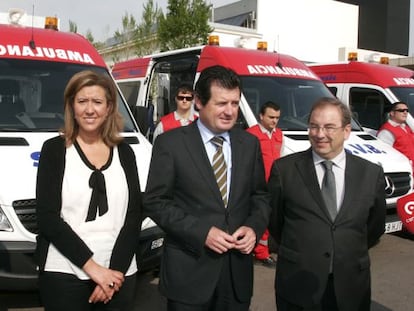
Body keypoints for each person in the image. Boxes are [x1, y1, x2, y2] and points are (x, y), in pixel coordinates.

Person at [143, 65, 270, 311]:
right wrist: (202, 233)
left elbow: (261, 196)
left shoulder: (249, 144)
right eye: (222, 103)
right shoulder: (171, 143)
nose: (230, 111)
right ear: (199, 102)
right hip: (189, 275)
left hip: (236, 276)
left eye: (235, 103)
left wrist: (254, 228)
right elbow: (155, 202)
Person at [35, 70, 142, 311]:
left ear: (109, 107)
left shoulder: (125, 152)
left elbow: (134, 215)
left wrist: (112, 274)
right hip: (65, 273)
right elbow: (48, 218)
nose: (90, 109)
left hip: (120, 271)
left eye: (97, 102)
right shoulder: (54, 150)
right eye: (82, 101)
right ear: (71, 106)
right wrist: (94, 270)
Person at [268, 97, 386, 311]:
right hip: (298, 285)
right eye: (314, 126)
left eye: (329, 127)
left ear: (347, 131)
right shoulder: (284, 170)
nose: (320, 134)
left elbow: (374, 227)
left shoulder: (370, 173)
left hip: (351, 286)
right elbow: (276, 223)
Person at [246, 101, 283, 268]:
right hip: (257, 186)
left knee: (273, 217)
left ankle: (263, 248)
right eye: (271, 117)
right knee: (259, 217)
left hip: (274, 185)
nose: (274, 121)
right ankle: (260, 253)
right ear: (261, 116)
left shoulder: (279, 135)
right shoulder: (250, 135)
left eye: (277, 118)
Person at [377, 101, 414, 171]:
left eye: (407, 110)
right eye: (401, 110)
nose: (405, 112)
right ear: (392, 113)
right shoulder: (386, 132)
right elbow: (385, 154)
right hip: (403, 170)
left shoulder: (406, 128)